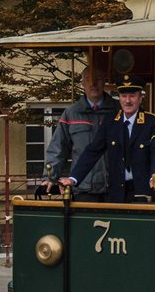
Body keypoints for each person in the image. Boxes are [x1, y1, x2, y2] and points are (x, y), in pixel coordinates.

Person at [60, 76, 155, 203]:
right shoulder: (110, 122)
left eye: (132, 96)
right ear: (119, 98)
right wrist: (73, 178)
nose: (127, 101)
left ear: (140, 98)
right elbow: (93, 151)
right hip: (117, 192)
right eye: (123, 96)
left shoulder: (151, 122)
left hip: (143, 191)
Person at [44, 67, 119, 202]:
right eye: (88, 80)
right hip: (84, 187)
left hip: (115, 187)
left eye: (98, 80)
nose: (93, 84)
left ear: (104, 82)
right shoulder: (71, 113)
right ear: (82, 83)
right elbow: (58, 148)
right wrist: (50, 177)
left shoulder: (119, 111)